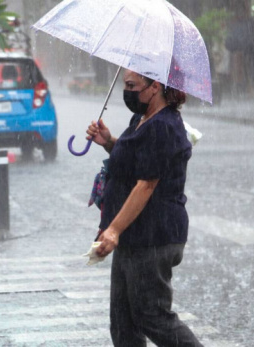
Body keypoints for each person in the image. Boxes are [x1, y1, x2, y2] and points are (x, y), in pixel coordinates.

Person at [86, 69, 202, 347]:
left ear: (154, 87)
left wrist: (113, 230)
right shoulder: (141, 119)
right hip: (133, 235)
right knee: (123, 323)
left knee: (152, 316)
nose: (127, 92)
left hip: (154, 236)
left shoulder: (163, 125)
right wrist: (110, 142)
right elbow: (133, 160)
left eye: (131, 85)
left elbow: (146, 184)